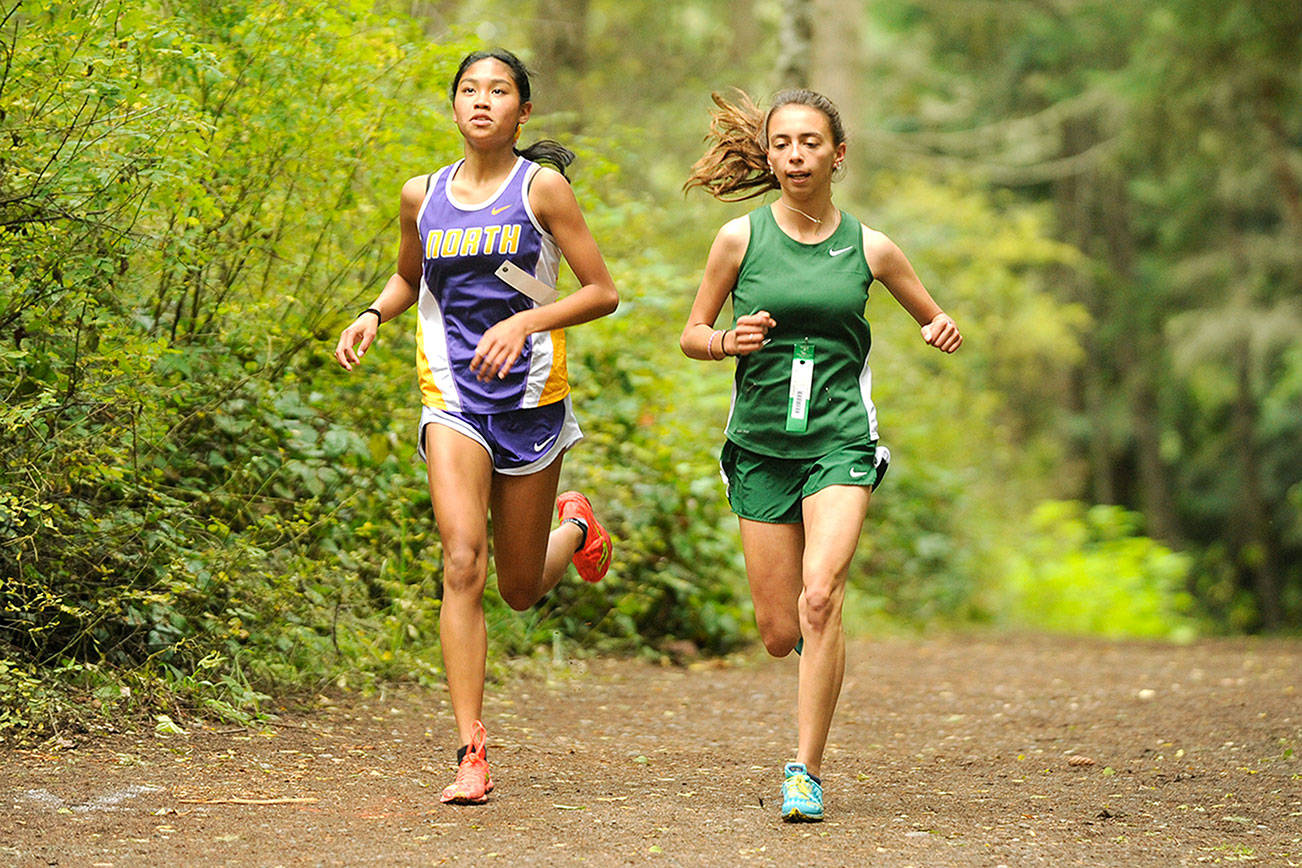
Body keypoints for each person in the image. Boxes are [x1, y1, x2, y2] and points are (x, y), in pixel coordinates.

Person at [334, 48, 618, 805]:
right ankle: (471, 750)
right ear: (453, 106)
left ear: (523, 111)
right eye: (470, 90)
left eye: (500, 91)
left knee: (520, 589)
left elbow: (601, 291)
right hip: (452, 397)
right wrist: (372, 313)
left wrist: (527, 318)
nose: (482, 101)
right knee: (464, 561)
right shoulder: (421, 195)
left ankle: (576, 532)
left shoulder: (542, 189)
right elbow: (409, 276)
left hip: (530, 403)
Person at [679, 88, 962, 822]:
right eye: (782, 143)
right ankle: (817, 659)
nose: (796, 154)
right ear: (768, 155)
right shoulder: (738, 240)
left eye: (810, 142)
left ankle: (804, 769)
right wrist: (724, 342)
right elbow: (692, 332)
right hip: (762, 446)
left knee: (820, 595)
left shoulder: (871, 247)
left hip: (840, 440)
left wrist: (939, 328)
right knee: (780, 633)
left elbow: (932, 314)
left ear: (838, 154)